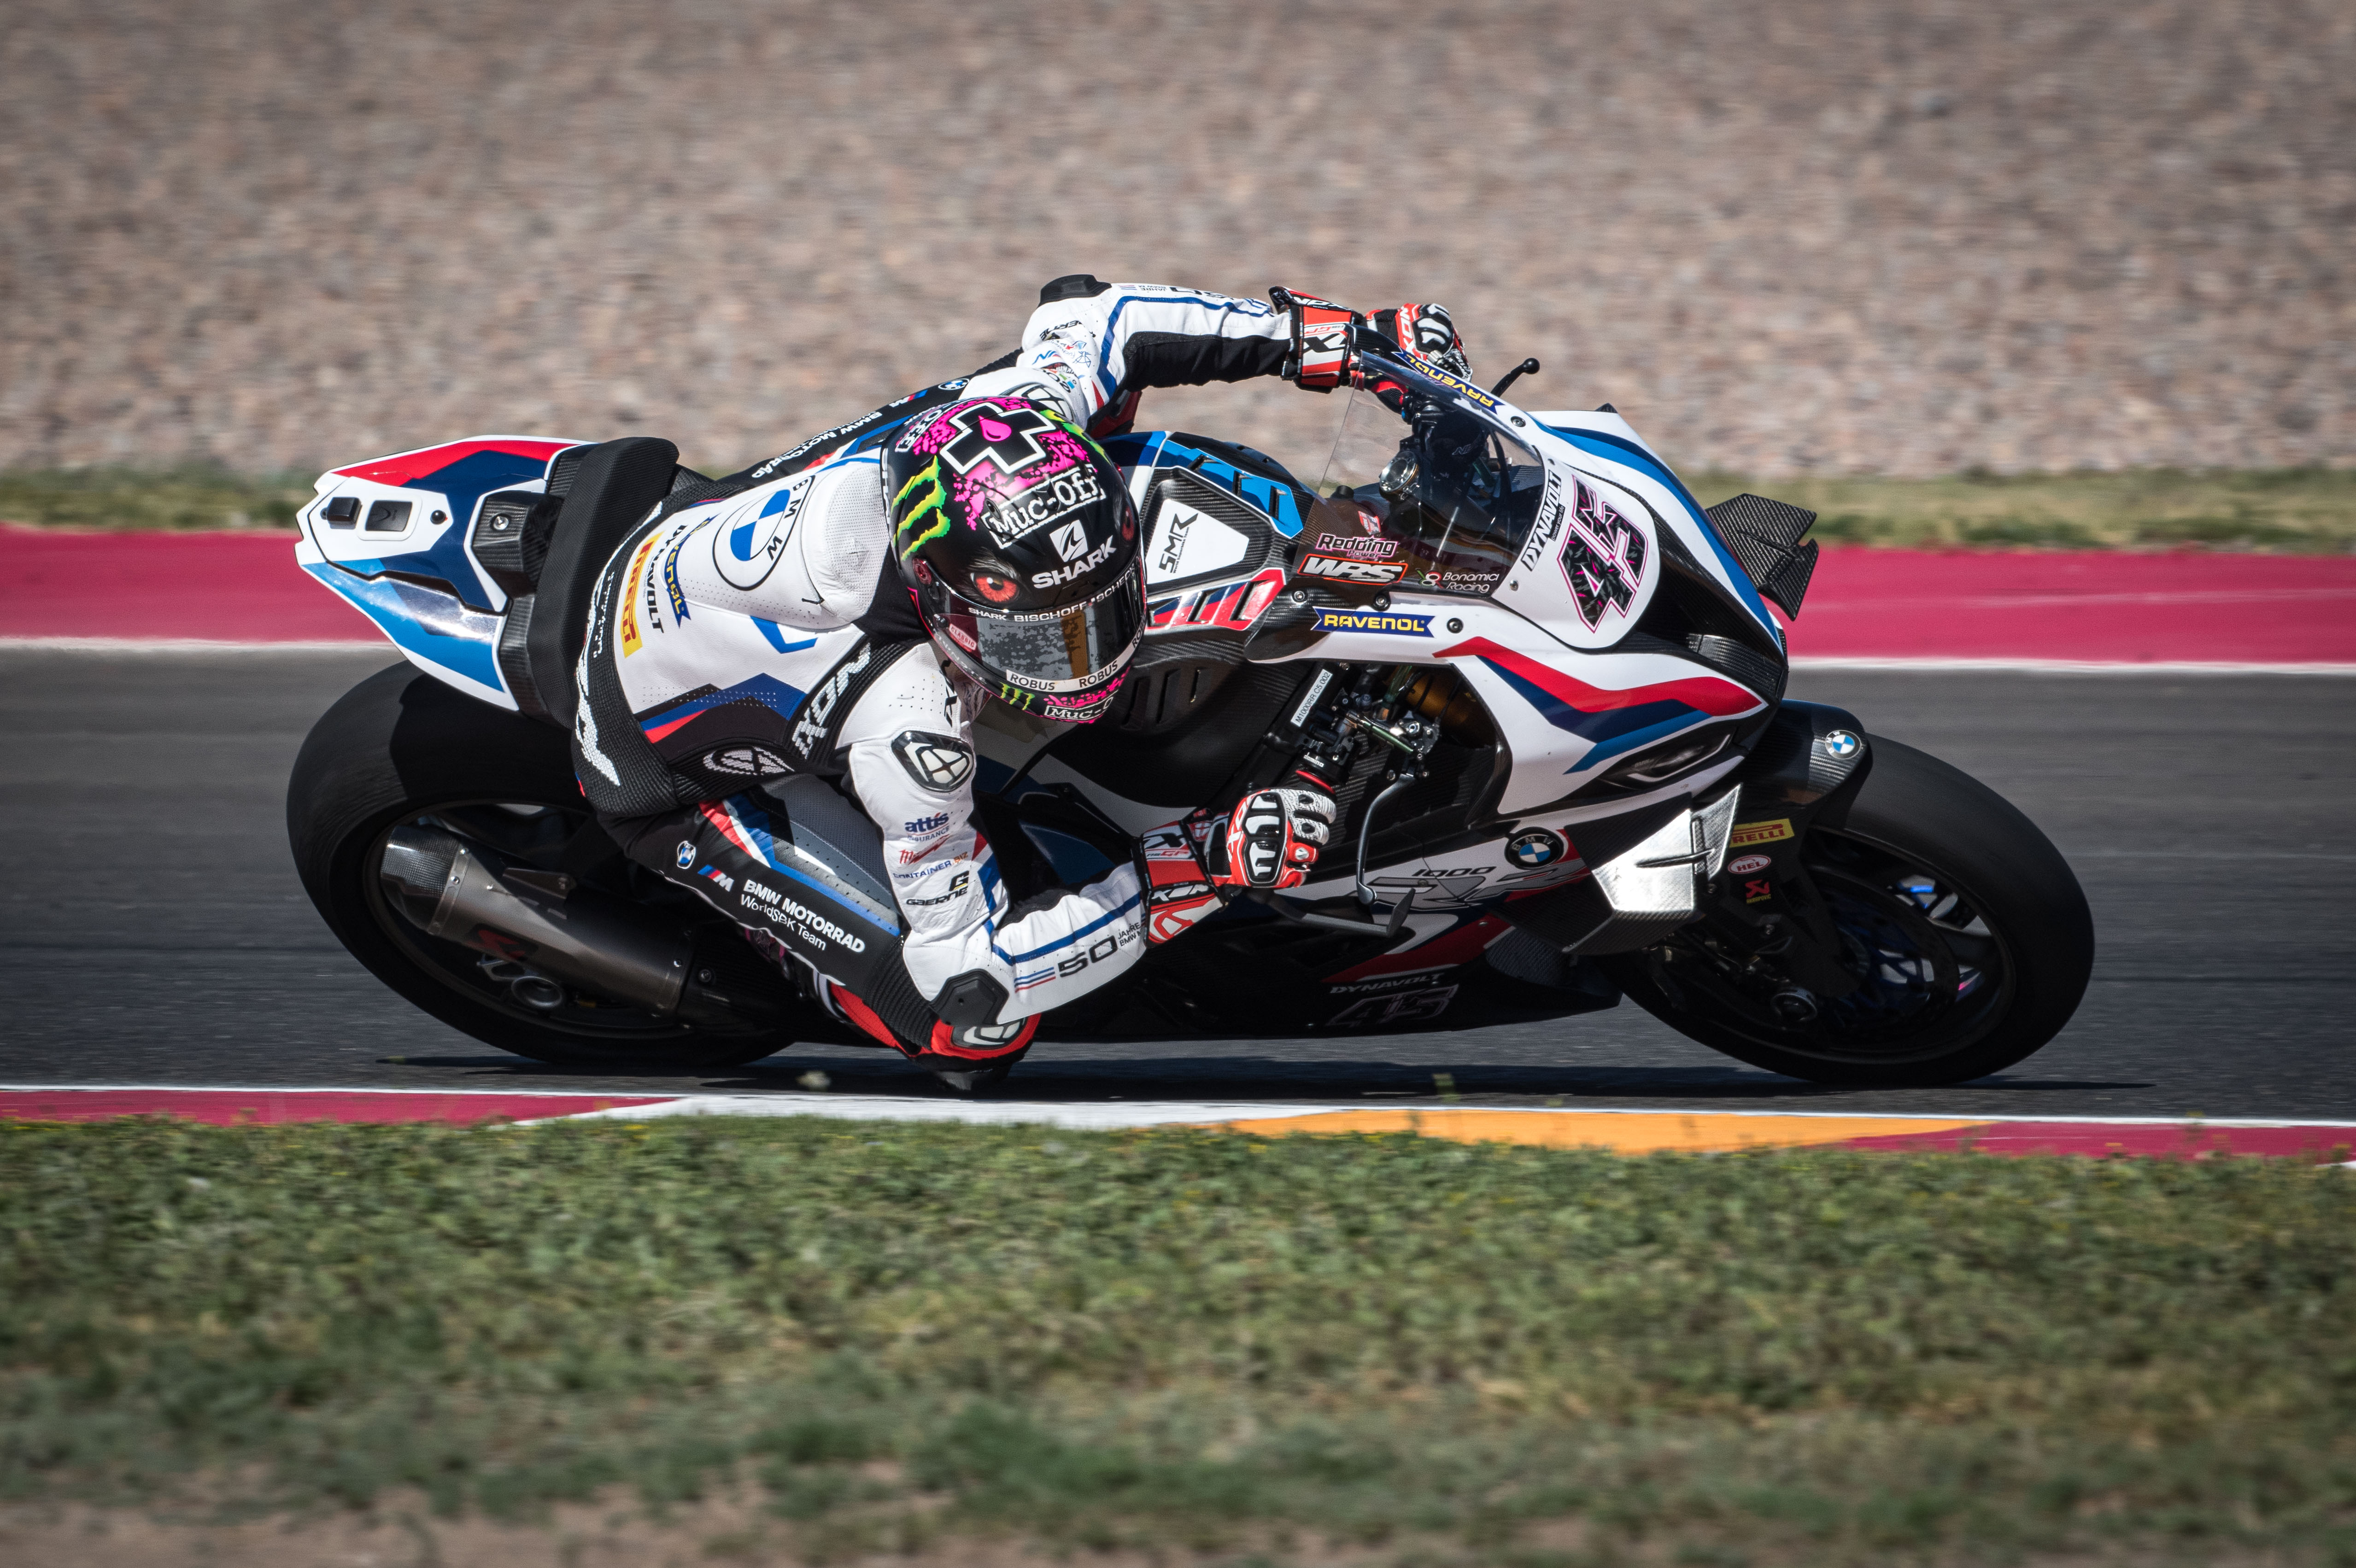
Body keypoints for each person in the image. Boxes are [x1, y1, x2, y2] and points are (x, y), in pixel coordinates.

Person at [567, 278, 1470, 1079]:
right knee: (968, 1033)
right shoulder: (907, 721)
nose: (1091, 659)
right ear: (943, 599)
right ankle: (812, 971)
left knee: (1115, 405)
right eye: (1045, 641)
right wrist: (1200, 865)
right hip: (660, 768)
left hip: (699, 541)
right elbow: (971, 974)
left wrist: (1343, 341)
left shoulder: (1014, 419)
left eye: (1103, 612)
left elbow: (1102, 315)